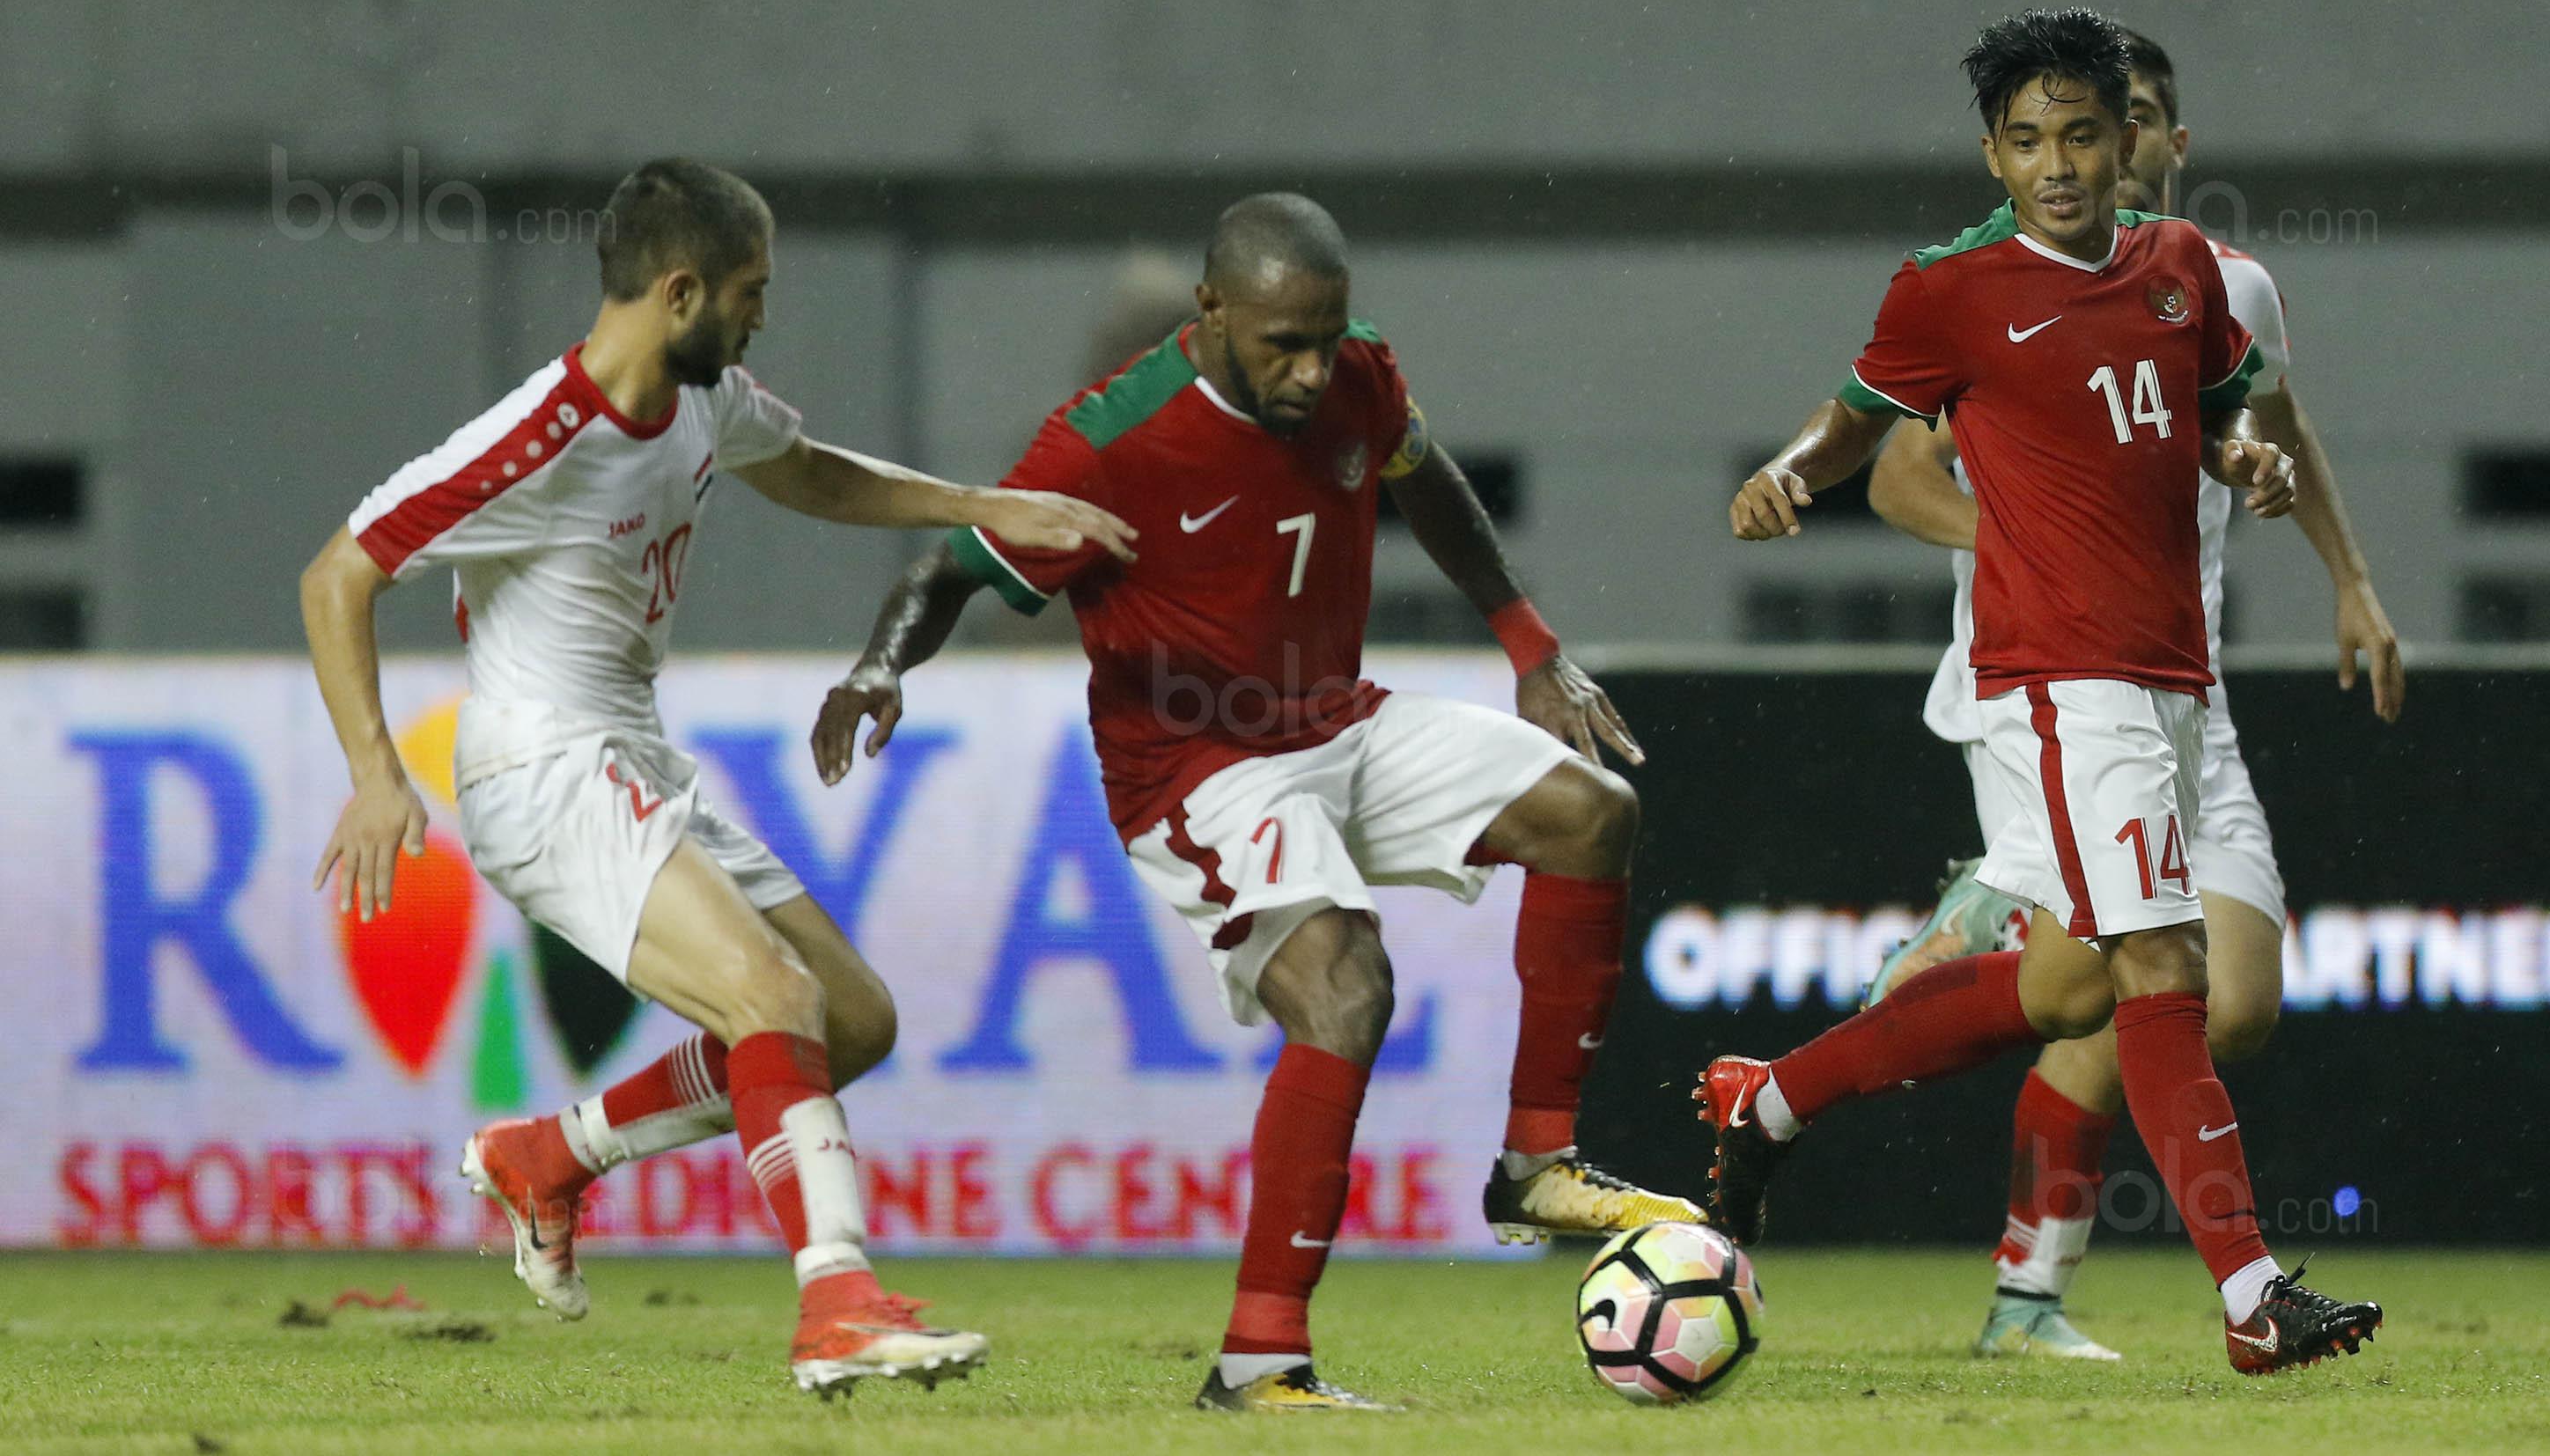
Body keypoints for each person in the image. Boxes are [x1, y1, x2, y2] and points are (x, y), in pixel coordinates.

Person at [811, 192, 1703, 1412]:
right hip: (1194, 769)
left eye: (1327, 337)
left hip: (1337, 718)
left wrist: (1529, 642)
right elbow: (951, 568)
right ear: (1211, 312)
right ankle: (1260, 1361)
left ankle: (1535, 1164)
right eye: (1283, 341)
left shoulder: (1358, 375)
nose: (1311, 368)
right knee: (1346, 988)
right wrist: (877, 668)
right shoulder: (1111, 439)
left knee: (1592, 815)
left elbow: (1424, 473)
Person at [298, 158, 1132, 1396]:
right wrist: (375, 772)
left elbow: (812, 472)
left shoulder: (703, 398)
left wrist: (988, 506)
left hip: (630, 755)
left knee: (849, 1019)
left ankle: (551, 1157)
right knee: (768, 994)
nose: (764, 315)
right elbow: (338, 574)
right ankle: (838, 1302)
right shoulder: (540, 436)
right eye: (752, 291)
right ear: (679, 290)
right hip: (543, 768)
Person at [1695, 10, 2384, 1375]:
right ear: (1994, 156)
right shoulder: (1950, 286)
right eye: (2028, 141)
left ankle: (1769, 1100)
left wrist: (2247, 462)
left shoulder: (2185, 268)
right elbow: (1858, 428)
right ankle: (2250, 1299)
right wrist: (1786, 474)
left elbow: (2233, 407)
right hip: (2059, 679)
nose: (2058, 164)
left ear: (2132, 142)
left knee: (2078, 986)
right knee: (2160, 970)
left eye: (2080, 134)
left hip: (2177, 677)